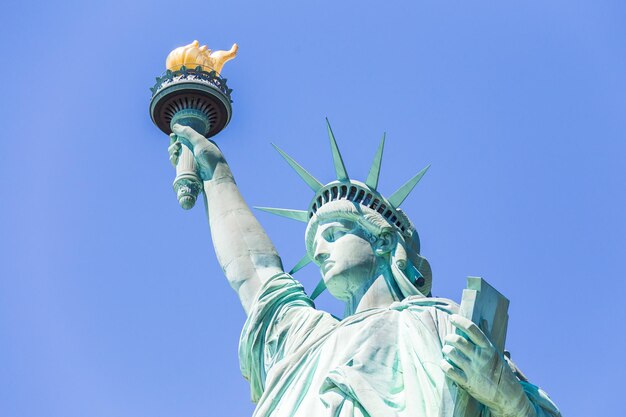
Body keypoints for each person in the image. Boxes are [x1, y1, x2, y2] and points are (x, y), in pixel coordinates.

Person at [168, 123, 561, 417]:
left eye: (334, 233)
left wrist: (506, 397)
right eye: (313, 244)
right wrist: (217, 176)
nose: (319, 250)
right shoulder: (306, 340)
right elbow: (256, 272)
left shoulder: (449, 329)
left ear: (384, 241)